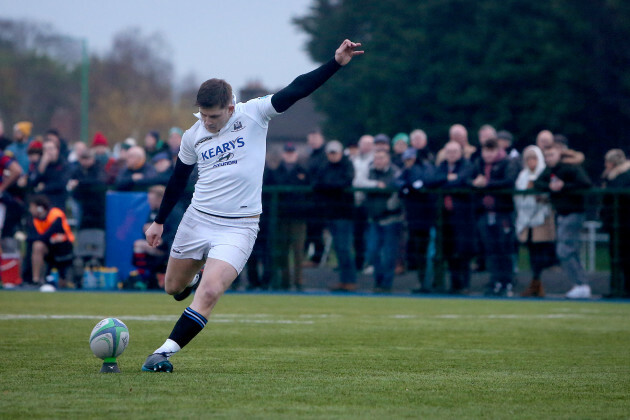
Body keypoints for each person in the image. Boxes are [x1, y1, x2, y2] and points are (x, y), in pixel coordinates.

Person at [140, 39, 363, 372]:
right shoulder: (193, 134)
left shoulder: (255, 113)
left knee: (212, 291)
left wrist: (335, 63)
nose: (207, 122)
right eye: (202, 115)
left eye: (213, 116)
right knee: (172, 287)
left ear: (230, 107)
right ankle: (192, 276)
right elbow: (177, 179)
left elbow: (297, 89)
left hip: (238, 226)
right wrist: (158, 222)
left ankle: (163, 353)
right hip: (197, 219)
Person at [534, 142, 592, 298]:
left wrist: (564, 186)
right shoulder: (550, 170)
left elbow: (585, 184)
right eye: (546, 156)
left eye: (551, 155)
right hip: (561, 214)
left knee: (564, 250)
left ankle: (581, 284)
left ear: (560, 153)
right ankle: (581, 284)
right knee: (570, 250)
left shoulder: (571, 167)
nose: (548, 158)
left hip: (573, 213)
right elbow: (538, 183)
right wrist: (550, 186)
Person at [470, 139, 520, 296]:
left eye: (491, 151)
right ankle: (495, 282)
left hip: (503, 213)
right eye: (486, 151)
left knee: (504, 249)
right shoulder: (478, 164)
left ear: (497, 150)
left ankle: (507, 283)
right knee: (490, 250)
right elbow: (467, 179)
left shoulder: (507, 163)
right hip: (485, 213)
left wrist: (487, 184)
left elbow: (509, 182)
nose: (488, 154)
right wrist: (474, 182)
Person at [428, 141, 476, 294]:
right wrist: (449, 179)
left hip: (462, 218)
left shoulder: (467, 165)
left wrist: (446, 181)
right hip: (444, 217)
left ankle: (464, 285)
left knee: (462, 251)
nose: (452, 155)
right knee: (446, 251)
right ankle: (453, 285)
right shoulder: (442, 165)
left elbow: (461, 181)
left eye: (455, 151)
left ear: (460, 152)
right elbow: (431, 182)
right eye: (449, 152)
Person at [312, 140, 357, 291]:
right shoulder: (325, 166)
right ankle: (345, 281)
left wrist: (329, 186)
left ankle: (349, 281)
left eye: (335, 153)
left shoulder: (346, 165)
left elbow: (344, 182)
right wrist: (331, 186)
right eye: (330, 153)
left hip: (344, 213)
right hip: (331, 213)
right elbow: (318, 183)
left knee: (344, 248)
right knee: (339, 248)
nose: (332, 156)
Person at [264, 143, 310, 290]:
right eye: (287, 152)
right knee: (282, 251)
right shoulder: (276, 172)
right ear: (284, 154)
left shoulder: (303, 171)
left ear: (295, 154)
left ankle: (299, 281)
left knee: (298, 251)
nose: (290, 155)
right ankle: (284, 281)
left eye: (292, 152)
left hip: (298, 217)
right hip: (281, 217)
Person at [514, 145, 556, 297]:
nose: (531, 162)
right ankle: (536, 284)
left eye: (534, 158)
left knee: (542, 252)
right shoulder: (522, 176)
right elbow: (518, 197)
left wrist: (540, 195)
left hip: (541, 219)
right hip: (526, 219)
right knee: (532, 253)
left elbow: (551, 192)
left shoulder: (545, 174)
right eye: (528, 159)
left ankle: (538, 283)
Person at [397, 147, 436, 293]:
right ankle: (423, 283)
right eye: (406, 159)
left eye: (410, 159)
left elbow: (427, 183)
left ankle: (429, 283)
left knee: (430, 252)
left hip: (429, 219)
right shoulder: (406, 171)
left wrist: (411, 187)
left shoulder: (425, 169)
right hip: (414, 219)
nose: (408, 162)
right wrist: (409, 187)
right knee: (419, 252)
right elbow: (400, 184)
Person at [364, 149, 402, 292]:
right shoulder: (370, 171)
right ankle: (378, 281)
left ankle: (386, 284)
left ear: (387, 159)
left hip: (390, 218)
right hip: (374, 218)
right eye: (376, 158)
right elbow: (359, 181)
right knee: (373, 251)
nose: (378, 161)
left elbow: (396, 187)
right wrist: (375, 185)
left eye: (381, 158)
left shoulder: (395, 172)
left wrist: (390, 206)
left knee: (388, 254)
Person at [26, 195, 75, 290]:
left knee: (63, 280)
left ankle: (63, 280)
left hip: (63, 246)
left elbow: (52, 231)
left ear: (40, 208)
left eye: (32, 207)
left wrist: (38, 238)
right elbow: (33, 237)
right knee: (37, 246)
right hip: (49, 246)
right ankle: (36, 280)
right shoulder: (36, 220)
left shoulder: (55, 214)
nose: (30, 210)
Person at [600, 149, 630, 297]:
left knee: (623, 257)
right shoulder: (612, 177)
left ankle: (622, 289)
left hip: (623, 224)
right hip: (616, 224)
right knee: (616, 257)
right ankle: (617, 289)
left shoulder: (622, 177)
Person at [303, 129, 328, 267]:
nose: (312, 140)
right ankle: (313, 257)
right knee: (311, 229)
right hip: (310, 200)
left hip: (320, 200)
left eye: (315, 137)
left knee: (317, 229)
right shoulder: (310, 156)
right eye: (310, 138)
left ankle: (317, 257)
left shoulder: (324, 156)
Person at [351, 134, 375, 271]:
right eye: (363, 143)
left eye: (369, 143)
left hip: (369, 203)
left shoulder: (375, 160)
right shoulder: (353, 159)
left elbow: (359, 181)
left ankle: (370, 263)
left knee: (370, 236)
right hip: (355, 203)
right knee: (357, 236)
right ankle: (359, 263)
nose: (366, 146)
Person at [67, 149, 107, 230]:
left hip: (96, 203)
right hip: (81, 201)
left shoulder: (98, 168)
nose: (85, 162)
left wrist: (79, 183)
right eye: (83, 159)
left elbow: (98, 182)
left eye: (87, 159)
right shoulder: (78, 169)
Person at [28, 139, 70, 210]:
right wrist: (42, 167)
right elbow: (32, 181)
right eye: (45, 149)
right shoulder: (40, 163)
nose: (48, 152)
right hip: (42, 201)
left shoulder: (63, 164)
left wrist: (44, 187)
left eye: (50, 149)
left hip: (57, 200)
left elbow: (61, 183)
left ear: (57, 150)